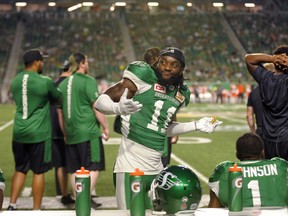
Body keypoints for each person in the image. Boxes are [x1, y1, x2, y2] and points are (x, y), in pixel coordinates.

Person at [95, 47, 222, 210]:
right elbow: (100, 102)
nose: (167, 67)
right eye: (163, 62)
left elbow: (163, 128)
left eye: (173, 65)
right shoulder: (143, 76)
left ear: (181, 69)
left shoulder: (181, 93)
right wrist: (117, 108)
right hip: (131, 168)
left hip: (158, 171)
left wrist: (196, 125)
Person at [8, 49, 62, 210]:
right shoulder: (44, 81)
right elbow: (58, 98)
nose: (42, 64)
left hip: (19, 131)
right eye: (41, 61)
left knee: (20, 169)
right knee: (39, 172)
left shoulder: (15, 81)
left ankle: (11, 205)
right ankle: (36, 210)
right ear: (36, 62)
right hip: (38, 133)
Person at [57, 52, 108, 208]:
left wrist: (65, 133)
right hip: (88, 132)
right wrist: (106, 126)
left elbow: (60, 113)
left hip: (71, 133)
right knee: (94, 167)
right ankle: (83, 199)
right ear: (82, 64)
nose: (88, 64)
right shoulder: (88, 80)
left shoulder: (62, 84)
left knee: (75, 170)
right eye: (87, 61)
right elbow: (96, 106)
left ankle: (78, 197)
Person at [208, 132, 288, 208]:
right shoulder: (281, 166)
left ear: (237, 155)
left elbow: (214, 210)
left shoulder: (224, 171)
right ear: (262, 153)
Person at [245, 45, 288, 160]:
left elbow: (248, 59)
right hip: (285, 138)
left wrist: (272, 58)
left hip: (267, 139)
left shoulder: (265, 79)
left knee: (272, 175)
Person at [143, 47, 178, 167]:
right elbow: (171, 108)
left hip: (141, 134)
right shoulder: (166, 82)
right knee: (160, 171)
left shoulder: (140, 80)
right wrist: (175, 130)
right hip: (159, 136)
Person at [50, 60, 74, 205]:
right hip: (69, 127)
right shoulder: (71, 83)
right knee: (75, 163)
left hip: (54, 128)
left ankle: (64, 194)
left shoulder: (53, 84)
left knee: (60, 164)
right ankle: (78, 193)